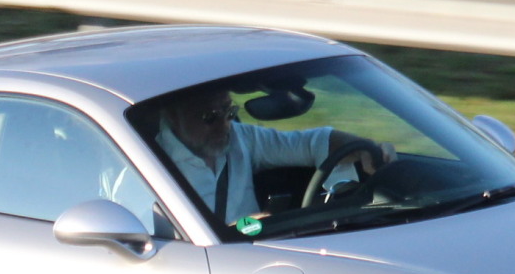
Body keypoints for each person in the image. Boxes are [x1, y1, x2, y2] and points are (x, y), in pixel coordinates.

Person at [151, 83, 393, 232]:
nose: (224, 126)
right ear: (173, 116)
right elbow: (167, 249)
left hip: (263, 254)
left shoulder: (238, 137)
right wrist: (250, 226)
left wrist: (366, 149)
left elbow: (314, 142)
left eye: (229, 112)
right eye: (209, 117)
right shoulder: (147, 167)